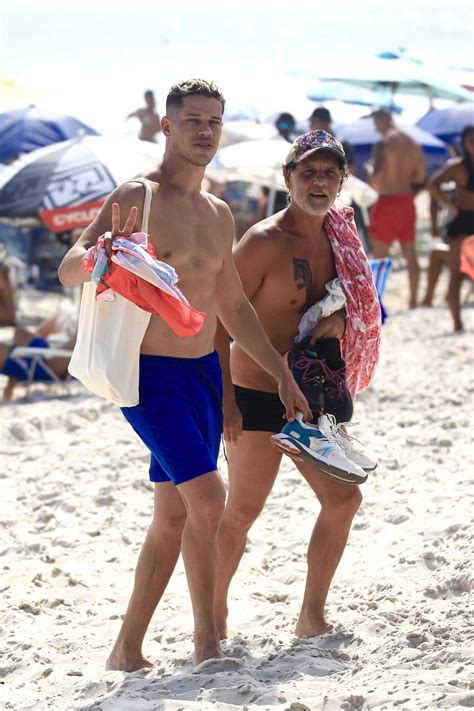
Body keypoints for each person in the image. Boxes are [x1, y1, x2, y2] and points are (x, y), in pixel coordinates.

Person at [58, 78, 311, 672]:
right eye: (193, 120)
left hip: (200, 372)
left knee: (172, 515)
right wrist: (100, 256)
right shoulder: (136, 197)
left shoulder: (219, 213)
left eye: (214, 122)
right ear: (167, 127)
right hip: (148, 375)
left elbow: (233, 306)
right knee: (210, 499)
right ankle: (208, 643)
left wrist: (279, 373)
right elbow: (71, 267)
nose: (205, 131)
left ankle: (126, 650)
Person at [214, 130, 381, 641]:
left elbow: (362, 304)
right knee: (242, 511)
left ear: (342, 181)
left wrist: (341, 322)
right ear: (288, 178)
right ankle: (213, 614)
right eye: (308, 172)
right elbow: (218, 323)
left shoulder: (343, 240)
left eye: (329, 172)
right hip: (256, 395)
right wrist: (225, 404)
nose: (319, 181)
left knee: (343, 500)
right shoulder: (264, 241)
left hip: (311, 398)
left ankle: (311, 617)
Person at [366, 107, 426, 309]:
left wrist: (370, 172)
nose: (374, 127)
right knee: (410, 253)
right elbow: (419, 178)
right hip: (406, 201)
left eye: (375, 122)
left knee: (381, 256)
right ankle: (414, 300)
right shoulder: (412, 143)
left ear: (382, 120)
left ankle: (378, 301)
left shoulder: (383, 143)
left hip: (387, 200)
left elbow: (376, 179)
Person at [425, 124, 474, 331]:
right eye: (471, 140)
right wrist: (452, 205)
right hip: (463, 222)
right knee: (456, 275)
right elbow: (432, 185)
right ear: (464, 143)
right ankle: (457, 324)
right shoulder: (458, 167)